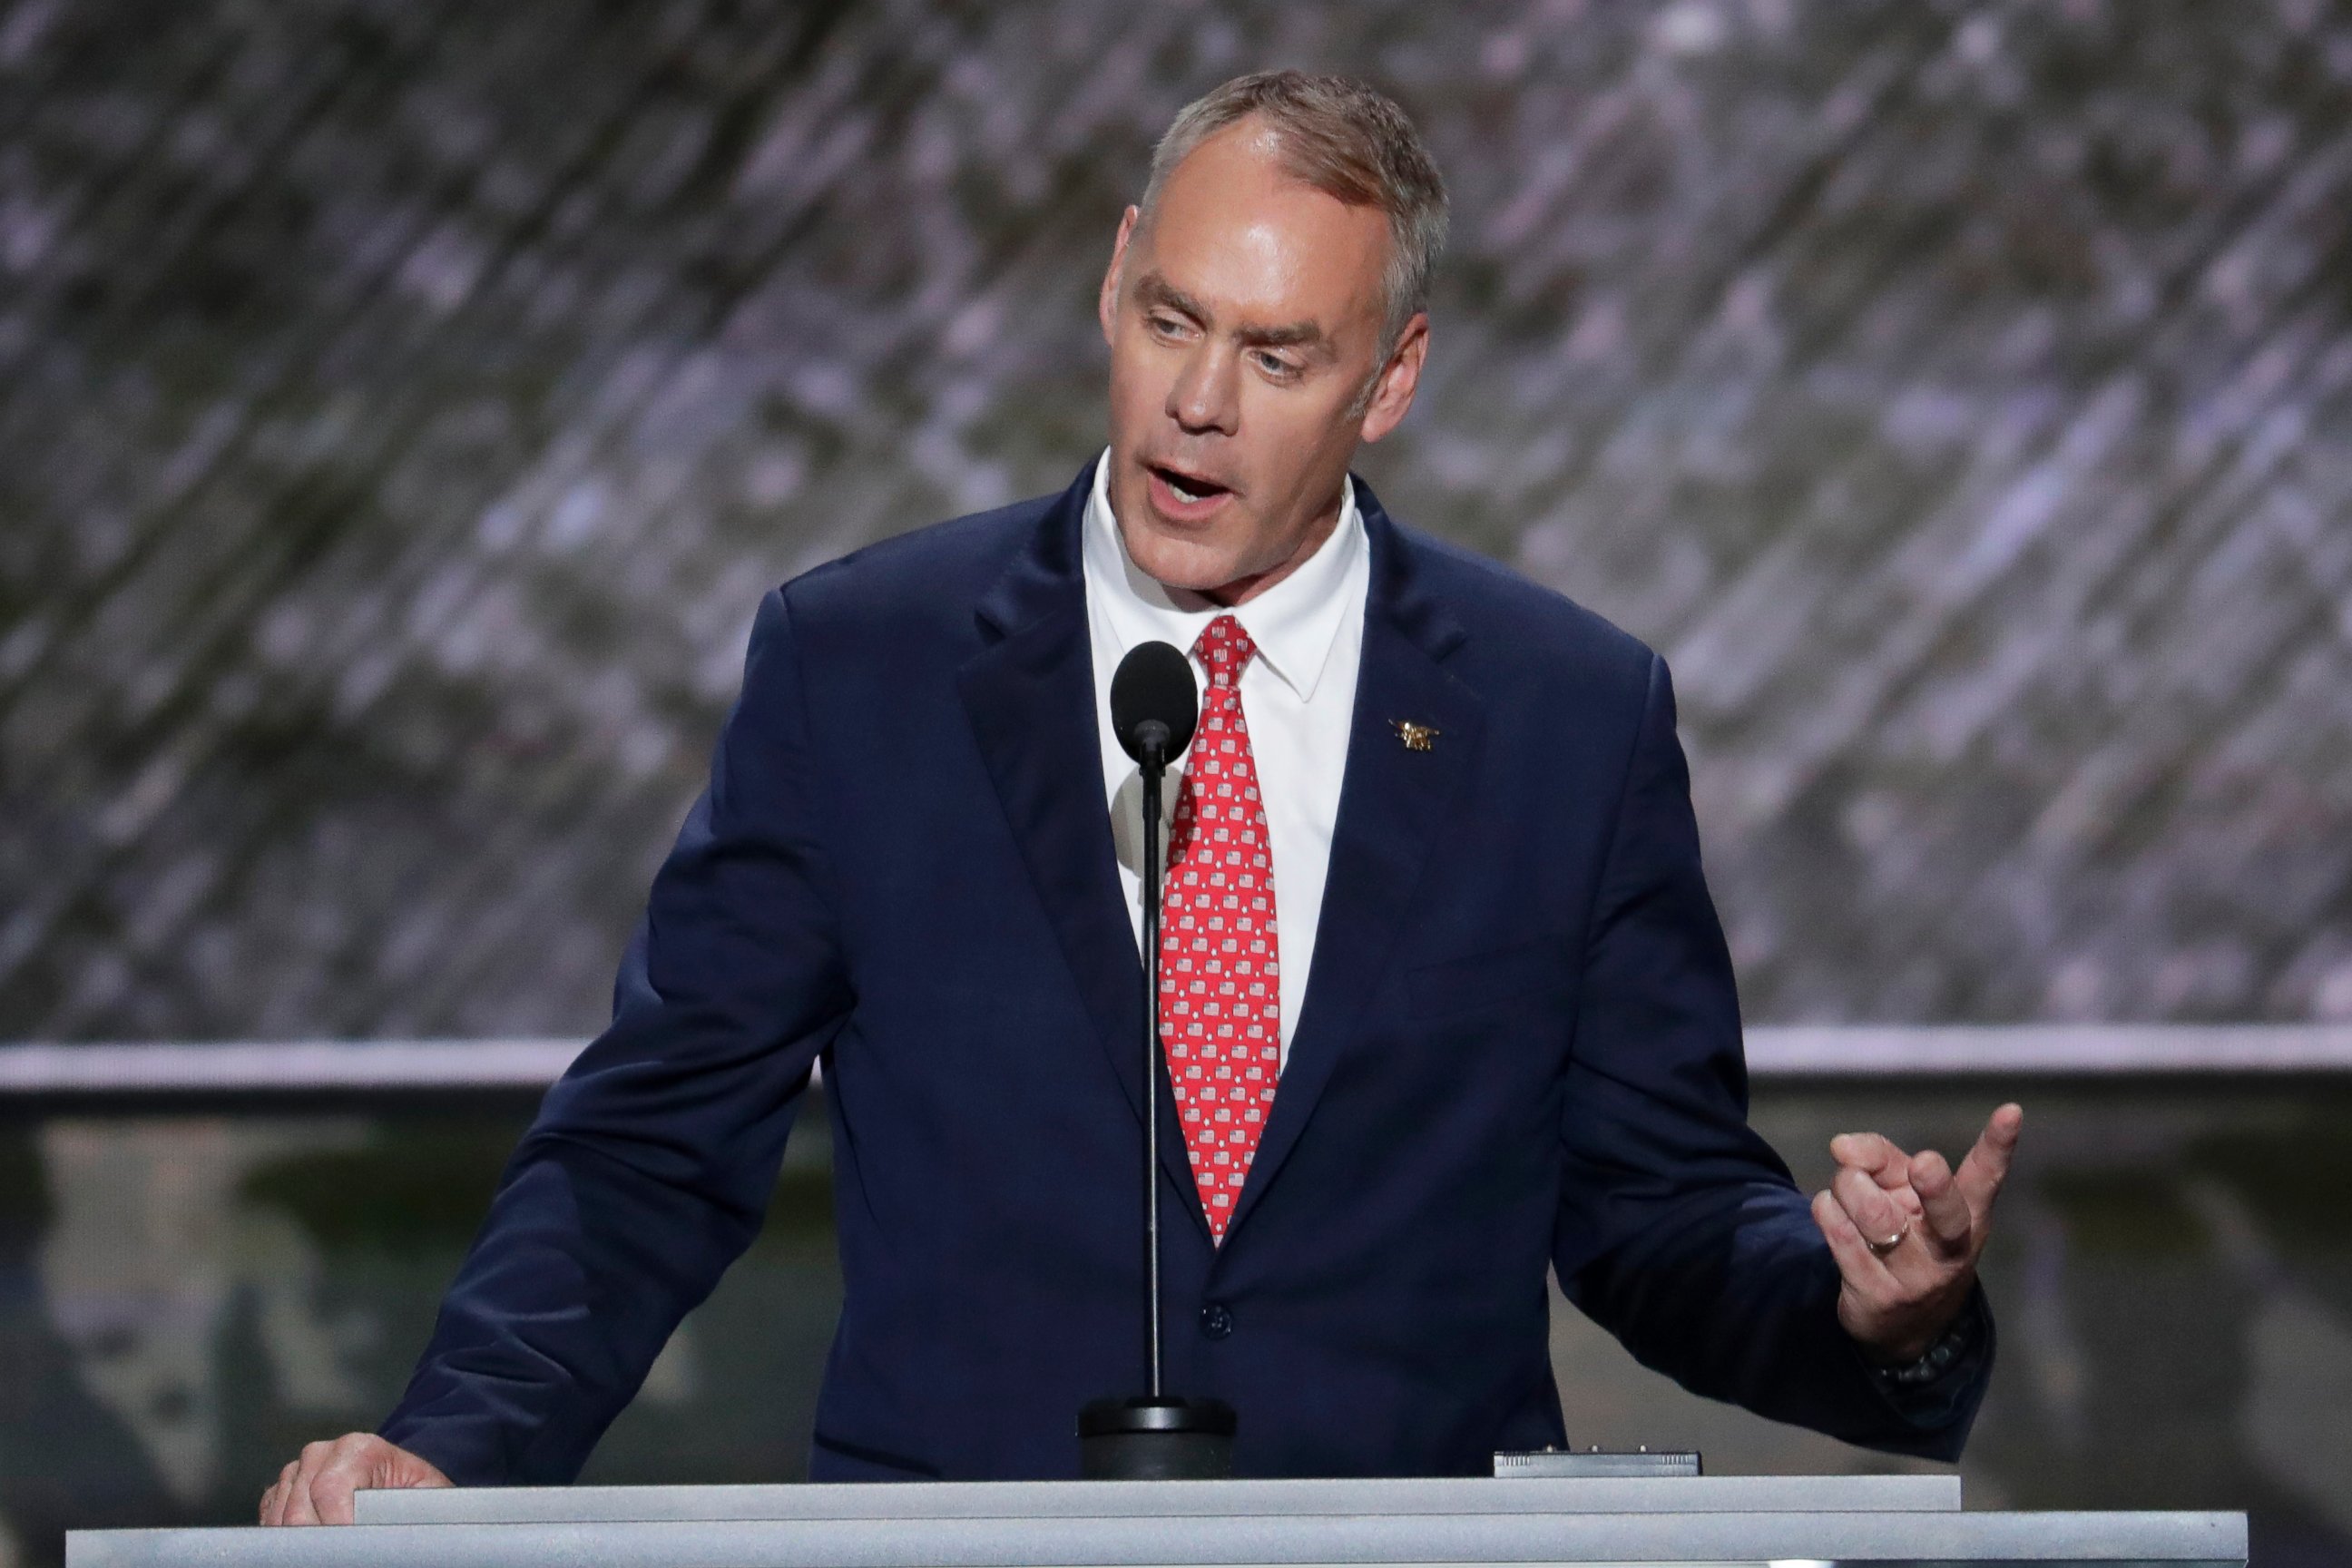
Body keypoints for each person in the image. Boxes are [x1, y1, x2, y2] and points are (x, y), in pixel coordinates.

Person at [260, 70, 2022, 1525]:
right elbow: (650, 1146)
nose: (1193, 404)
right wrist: (452, 1457)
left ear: (1390, 378)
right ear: (1114, 278)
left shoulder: (1567, 717)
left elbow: (1654, 1208)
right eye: (1171, 319)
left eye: (1276, 356)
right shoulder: (864, 667)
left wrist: (1876, 1311)